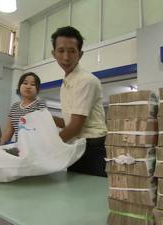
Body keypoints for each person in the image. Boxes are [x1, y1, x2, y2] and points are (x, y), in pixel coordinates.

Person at [51, 26, 108, 177]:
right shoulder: (66, 82)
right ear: (53, 53)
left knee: (91, 194)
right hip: (78, 145)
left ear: (80, 54)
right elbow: (71, 122)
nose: (66, 57)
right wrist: (49, 119)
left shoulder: (86, 80)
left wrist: (49, 146)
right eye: (61, 50)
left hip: (92, 147)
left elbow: (76, 126)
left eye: (72, 51)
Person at [0, 72, 46, 144]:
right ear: (19, 86)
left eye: (33, 84)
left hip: (36, 147)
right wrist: (0, 148)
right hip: (19, 147)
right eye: (25, 83)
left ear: (38, 89)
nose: (28, 86)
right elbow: (8, 131)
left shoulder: (40, 104)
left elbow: (44, 130)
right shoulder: (14, 106)